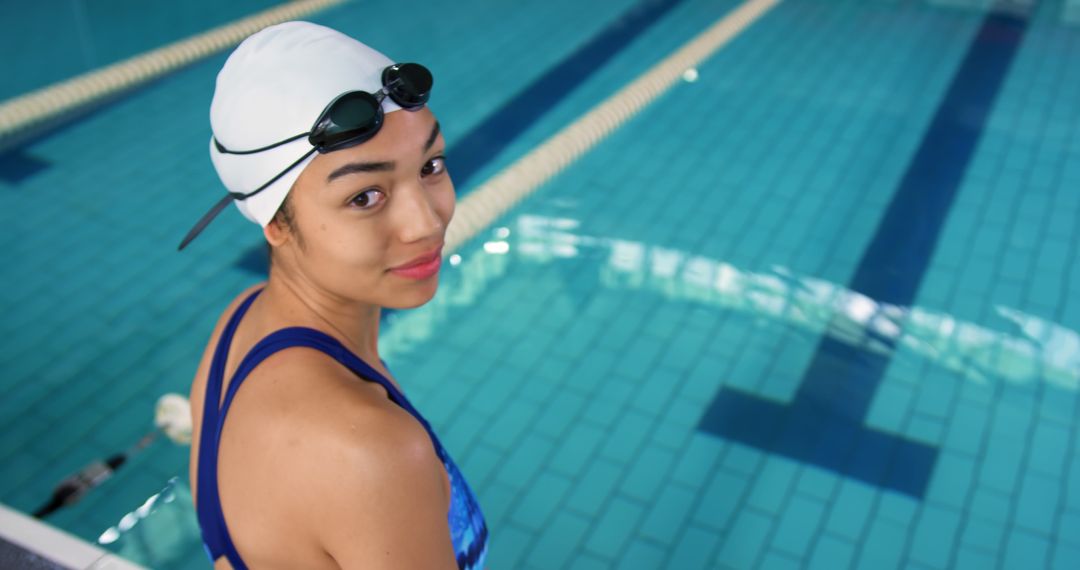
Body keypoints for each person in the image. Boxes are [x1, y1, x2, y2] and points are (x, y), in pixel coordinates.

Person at [182, 21, 488, 569]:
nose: (425, 221)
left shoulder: (243, 320)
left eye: (430, 165)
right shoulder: (372, 451)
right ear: (275, 223)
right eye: (364, 195)